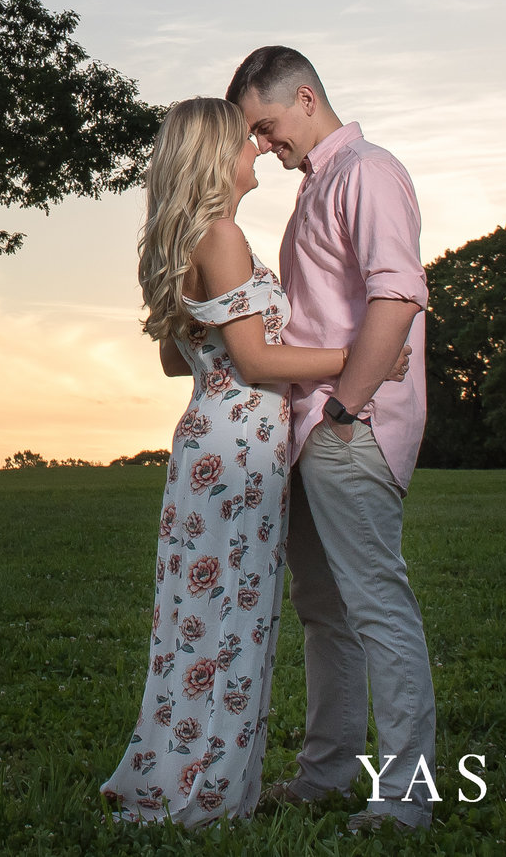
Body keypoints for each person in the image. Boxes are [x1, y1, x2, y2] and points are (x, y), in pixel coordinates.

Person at [101, 97, 407, 827]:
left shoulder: (185, 238)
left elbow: (182, 360)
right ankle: (201, 793)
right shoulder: (225, 233)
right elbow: (254, 355)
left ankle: (182, 773)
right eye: (246, 141)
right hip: (238, 453)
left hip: (209, 437)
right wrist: (364, 358)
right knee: (229, 616)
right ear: (215, 157)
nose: (259, 151)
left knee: (199, 615)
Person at [230, 45, 437, 835]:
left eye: (267, 124)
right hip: (311, 425)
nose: (263, 144)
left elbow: (398, 293)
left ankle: (406, 799)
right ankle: (324, 774)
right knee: (324, 611)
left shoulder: (368, 172)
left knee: (378, 605)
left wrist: (347, 406)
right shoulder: (317, 188)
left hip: (350, 424)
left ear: (307, 98)